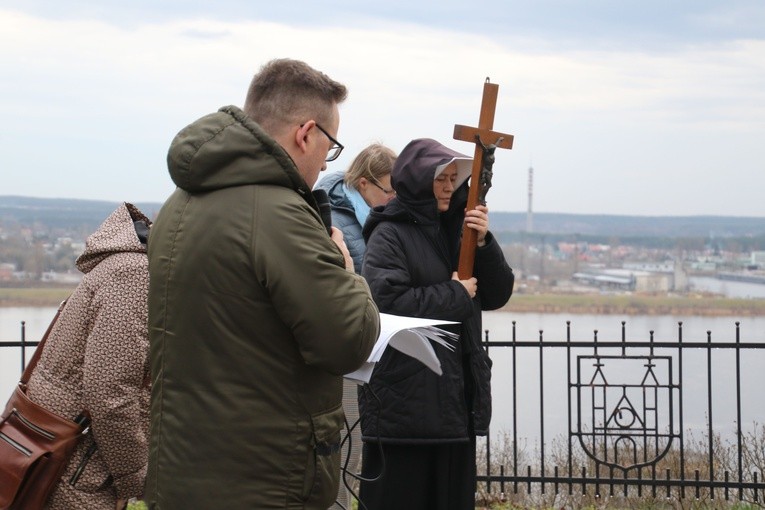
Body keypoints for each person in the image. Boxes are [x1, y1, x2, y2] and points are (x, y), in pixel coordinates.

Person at [145, 58, 380, 509]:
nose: (325, 161)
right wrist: (345, 270)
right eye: (330, 147)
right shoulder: (280, 214)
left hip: (182, 471)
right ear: (306, 133)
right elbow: (348, 340)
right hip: (265, 479)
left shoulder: (180, 203)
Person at [358, 138, 515, 509]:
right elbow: (387, 304)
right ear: (416, 180)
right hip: (405, 410)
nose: (448, 186)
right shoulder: (389, 233)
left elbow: (496, 294)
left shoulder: (456, 231)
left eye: (453, 178)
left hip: (453, 407)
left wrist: (484, 243)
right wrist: (456, 294)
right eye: (439, 178)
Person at [26, 202, 152, 510]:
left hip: (64, 454)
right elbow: (110, 394)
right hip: (80, 469)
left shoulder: (125, 267)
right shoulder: (135, 276)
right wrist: (134, 479)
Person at [314, 143, 396, 508]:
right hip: (345, 342)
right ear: (363, 184)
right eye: (389, 190)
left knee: (356, 443)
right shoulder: (335, 216)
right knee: (342, 441)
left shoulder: (374, 215)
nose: (394, 198)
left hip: (370, 340)